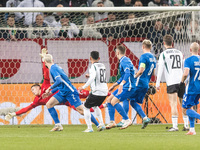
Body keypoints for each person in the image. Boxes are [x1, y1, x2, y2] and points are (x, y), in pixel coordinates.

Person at [4, 48, 93, 121]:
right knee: (82, 111)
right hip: (66, 101)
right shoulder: (37, 100)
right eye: (31, 91)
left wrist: (44, 60)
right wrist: (14, 114)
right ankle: (101, 109)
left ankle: (101, 99)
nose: (32, 91)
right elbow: (26, 109)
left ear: (38, 87)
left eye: (33, 89)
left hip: (67, 91)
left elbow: (46, 71)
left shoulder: (45, 85)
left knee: (88, 94)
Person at [42, 54, 100, 131]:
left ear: (45, 62)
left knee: (81, 110)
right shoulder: (55, 67)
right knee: (49, 104)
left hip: (70, 92)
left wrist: (49, 88)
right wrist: (51, 92)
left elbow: (59, 81)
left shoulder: (53, 68)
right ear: (52, 60)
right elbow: (61, 83)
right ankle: (58, 125)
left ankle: (98, 125)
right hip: (62, 92)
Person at [156, 34, 189, 132]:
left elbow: (160, 68)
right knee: (183, 104)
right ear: (172, 42)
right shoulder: (179, 52)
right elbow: (184, 67)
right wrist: (185, 80)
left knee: (173, 104)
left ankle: (175, 126)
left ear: (164, 43)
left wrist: (157, 83)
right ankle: (186, 125)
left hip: (171, 81)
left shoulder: (163, 54)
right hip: (181, 81)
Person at [78, 51, 108, 132]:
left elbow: (93, 78)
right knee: (95, 106)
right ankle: (102, 124)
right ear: (99, 58)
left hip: (97, 91)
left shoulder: (93, 66)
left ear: (90, 58)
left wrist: (83, 87)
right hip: (104, 91)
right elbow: (98, 75)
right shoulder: (103, 65)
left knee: (85, 107)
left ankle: (89, 128)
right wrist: (90, 75)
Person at [106, 45, 134, 130]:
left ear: (117, 53)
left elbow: (127, 73)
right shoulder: (124, 60)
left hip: (128, 86)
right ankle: (112, 121)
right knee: (109, 100)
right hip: (125, 85)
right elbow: (123, 76)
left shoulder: (124, 61)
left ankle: (127, 119)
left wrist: (122, 84)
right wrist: (115, 85)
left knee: (114, 101)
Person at [130, 39, 156, 129]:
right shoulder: (153, 58)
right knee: (134, 102)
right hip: (146, 84)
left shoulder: (144, 56)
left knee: (127, 98)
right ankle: (144, 118)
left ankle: (125, 120)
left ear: (143, 46)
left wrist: (134, 77)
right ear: (151, 47)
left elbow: (141, 70)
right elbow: (153, 71)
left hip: (139, 82)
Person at [181, 42, 200, 135]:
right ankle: (192, 129)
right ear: (198, 50)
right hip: (199, 88)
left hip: (191, 88)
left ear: (190, 49)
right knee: (190, 107)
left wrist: (181, 81)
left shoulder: (188, 60)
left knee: (185, 109)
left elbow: (186, 73)